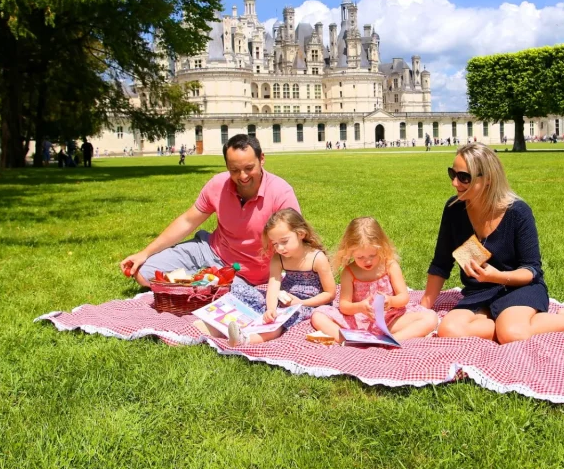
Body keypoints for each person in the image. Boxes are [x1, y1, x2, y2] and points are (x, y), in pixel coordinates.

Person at [420, 143, 564, 344]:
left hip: (519, 289)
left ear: (488, 179)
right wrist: (424, 306)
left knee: (512, 334)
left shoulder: (517, 212)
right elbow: (441, 263)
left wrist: (498, 276)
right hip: (480, 291)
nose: (455, 183)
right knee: (449, 330)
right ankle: (504, 322)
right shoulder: (454, 210)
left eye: (464, 177)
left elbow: (531, 269)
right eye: (452, 174)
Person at [119, 135, 300, 291]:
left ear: (262, 159)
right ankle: (206, 280)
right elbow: (188, 221)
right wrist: (145, 252)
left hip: (251, 271)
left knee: (232, 293)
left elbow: (295, 240)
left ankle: (206, 284)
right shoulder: (218, 184)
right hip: (211, 251)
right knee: (145, 273)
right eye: (235, 170)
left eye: (249, 168)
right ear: (227, 166)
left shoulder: (281, 192)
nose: (243, 176)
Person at [311, 217, 438, 343]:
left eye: (373, 255)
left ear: (381, 248)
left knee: (430, 317)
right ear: (350, 253)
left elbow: (404, 297)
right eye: (360, 257)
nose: (367, 261)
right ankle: (347, 339)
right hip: (359, 322)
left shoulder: (390, 266)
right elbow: (344, 306)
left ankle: (392, 339)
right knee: (318, 316)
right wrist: (360, 307)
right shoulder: (349, 272)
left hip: (390, 319)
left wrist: (391, 301)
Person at [225, 209, 336, 347]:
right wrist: (270, 308)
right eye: (275, 244)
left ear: (301, 234)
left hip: (310, 303)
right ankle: (225, 326)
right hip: (284, 300)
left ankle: (246, 340)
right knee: (243, 292)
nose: (280, 248)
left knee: (281, 320)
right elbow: (273, 285)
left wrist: (301, 302)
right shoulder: (278, 258)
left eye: (284, 241)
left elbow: (330, 293)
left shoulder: (317, 258)